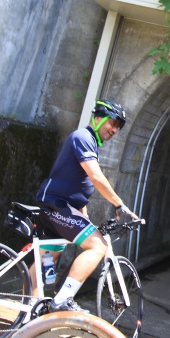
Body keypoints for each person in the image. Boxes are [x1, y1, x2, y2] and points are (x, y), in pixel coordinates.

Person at [31, 99, 140, 312]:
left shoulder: (90, 143)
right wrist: (119, 204)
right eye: (113, 123)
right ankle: (62, 299)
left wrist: (86, 220)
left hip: (60, 207)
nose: (115, 130)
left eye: (118, 127)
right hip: (57, 206)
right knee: (98, 246)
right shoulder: (82, 137)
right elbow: (95, 176)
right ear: (98, 118)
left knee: (47, 257)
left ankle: (31, 309)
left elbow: (80, 189)